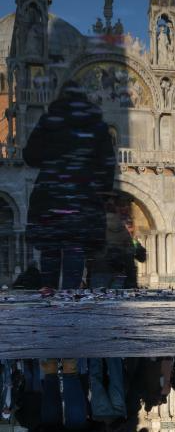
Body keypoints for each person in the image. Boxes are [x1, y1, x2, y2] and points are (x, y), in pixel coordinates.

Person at [21, 82, 117, 290]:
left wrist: (53, 159)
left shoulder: (49, 121)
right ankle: (70, 296)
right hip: (82, 196)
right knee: (75, 245)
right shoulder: (97, 126)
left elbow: (30, 156)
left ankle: (49, 294)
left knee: (50, 247)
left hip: (51, 194)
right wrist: (102, 193)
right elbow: (107, 163)